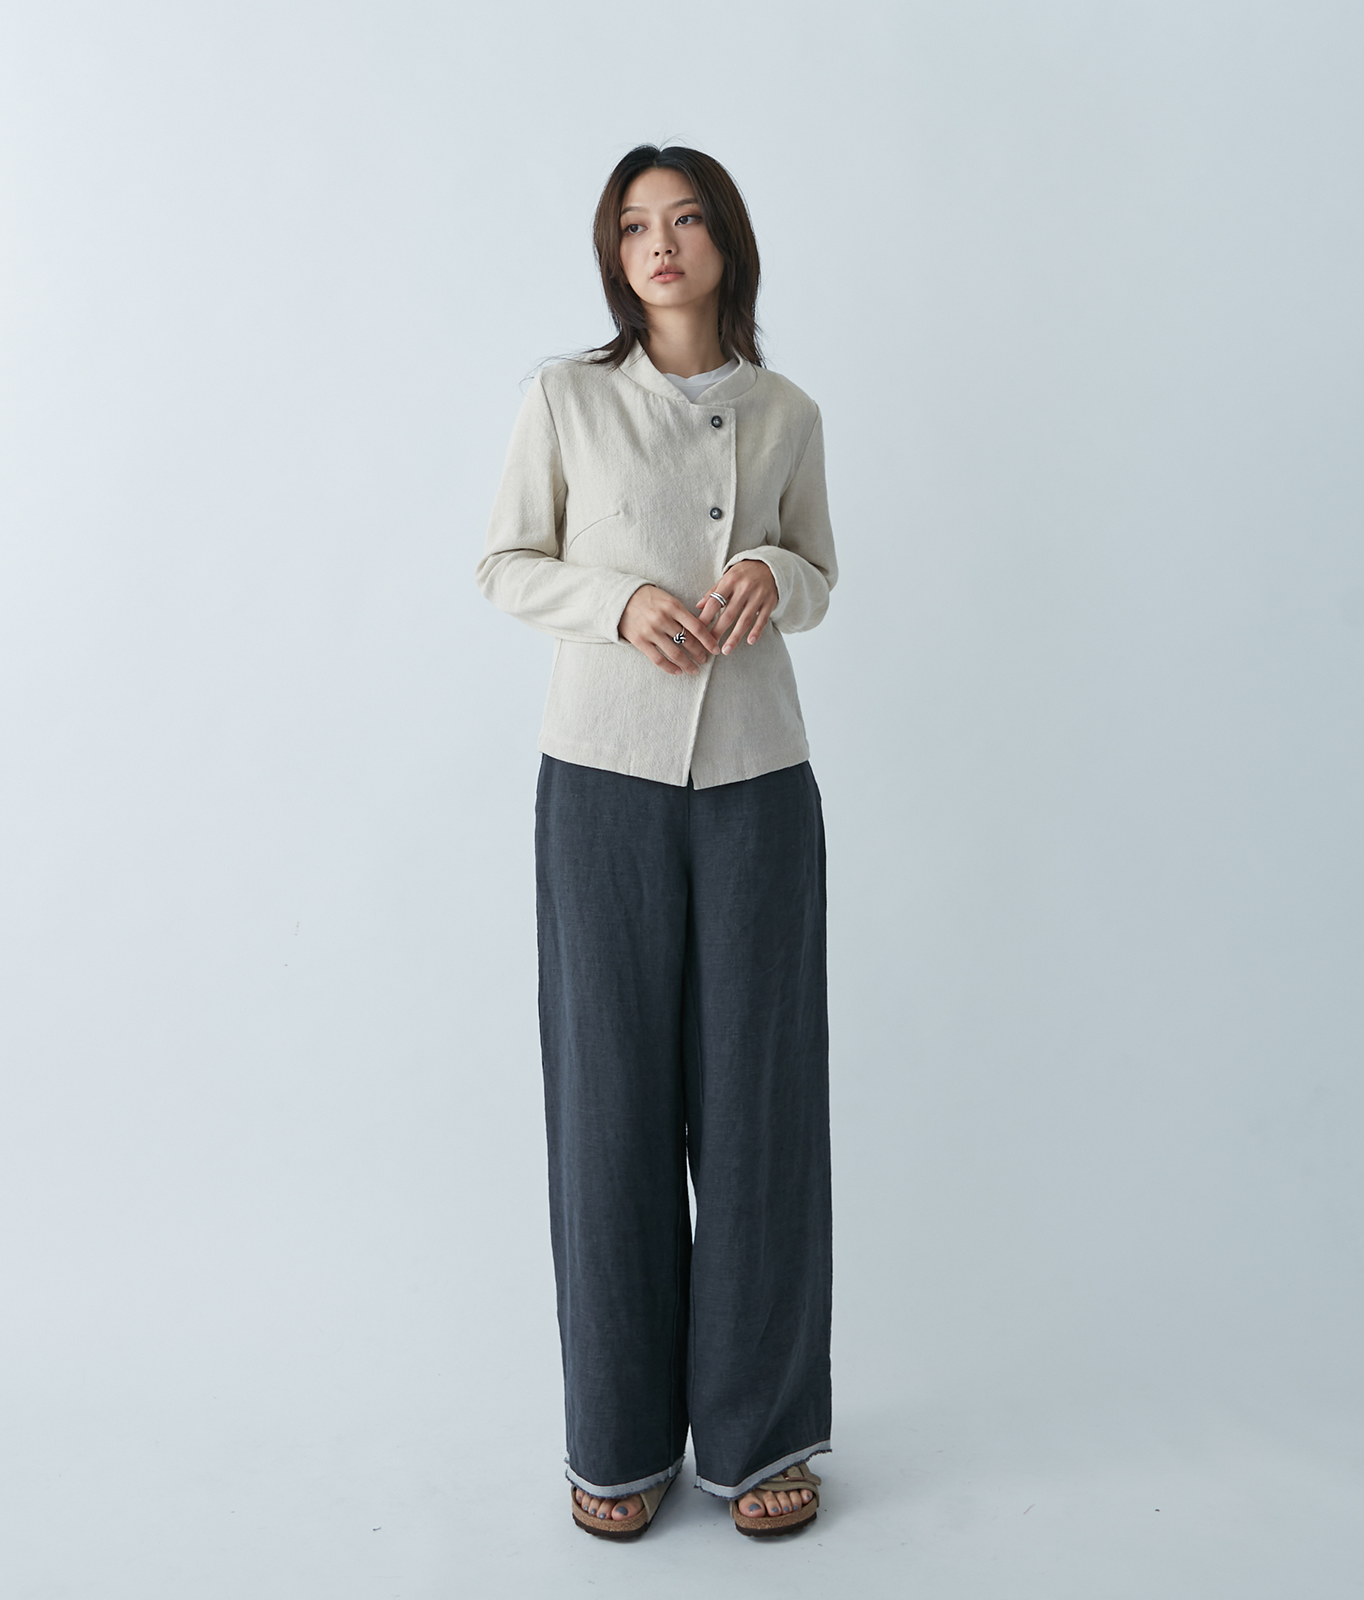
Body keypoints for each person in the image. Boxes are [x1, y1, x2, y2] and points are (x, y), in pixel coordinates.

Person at [476, 143, 838, 1540]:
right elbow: (506, 562)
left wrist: (771, 574)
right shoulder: (566, 399)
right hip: (604, 780)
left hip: (757, 779)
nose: (662, 244)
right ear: (614, 256)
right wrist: (619, 603)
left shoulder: (787, 411)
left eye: (686, 220)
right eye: (636, 226)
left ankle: (760, 1432)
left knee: (759, 1104)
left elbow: (821, 571)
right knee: (609, 1103)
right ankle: (618, 1439)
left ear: (725, 243)